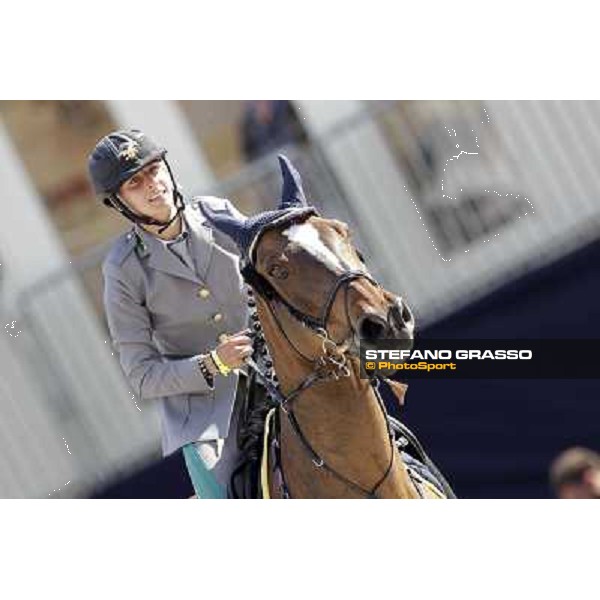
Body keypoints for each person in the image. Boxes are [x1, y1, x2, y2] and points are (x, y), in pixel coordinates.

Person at [87, 128, 253, 498]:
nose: (153, 185)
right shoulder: (123, 268)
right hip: (210, 417)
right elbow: (143, 376)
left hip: (278, 373)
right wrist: (213, 364)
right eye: (134, 182)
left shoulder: (219, 214)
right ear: (118, 203)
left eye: (154, 169)